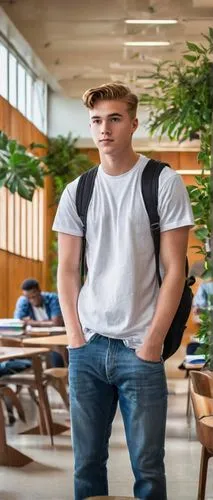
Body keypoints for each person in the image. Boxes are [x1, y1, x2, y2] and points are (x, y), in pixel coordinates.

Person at [52, 83, 194, 500]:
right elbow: (66, 270)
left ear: (133, 123)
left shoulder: (163, 182)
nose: (104, 129)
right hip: (89, 347)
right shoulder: (78, 191)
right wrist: (75, 337)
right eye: (97, 120)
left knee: (148, 468)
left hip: (140, 349)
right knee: (86, 465)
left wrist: (152, 344)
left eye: (114, 119)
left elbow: (174, 272)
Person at [14, 278, 64, 367]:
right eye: (27, 298)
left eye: (33, 296)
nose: (31, 300)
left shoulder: (53, 299)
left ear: (39, 291)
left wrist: (32, 322)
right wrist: (48, 322)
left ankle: (57, 376)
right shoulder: (23, 301)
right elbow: (18, 322)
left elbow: (57, 323)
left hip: (53, 337)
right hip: (33, 337)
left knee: (57, 351)